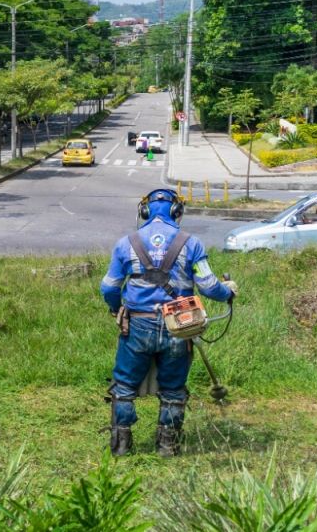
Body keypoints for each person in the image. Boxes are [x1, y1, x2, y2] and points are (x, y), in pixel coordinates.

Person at [100, 188, 237, 457]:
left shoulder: (126, 243)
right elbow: (209, 286)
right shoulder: (192, 244)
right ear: (177, 212)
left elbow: (108, 287)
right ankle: (167, 446)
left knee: (125, 385)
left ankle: (121, 446)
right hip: (179, 325)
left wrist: (117, 309)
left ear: (144, 211)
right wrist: (228, 292)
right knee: (173, 388)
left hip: (137, 324)